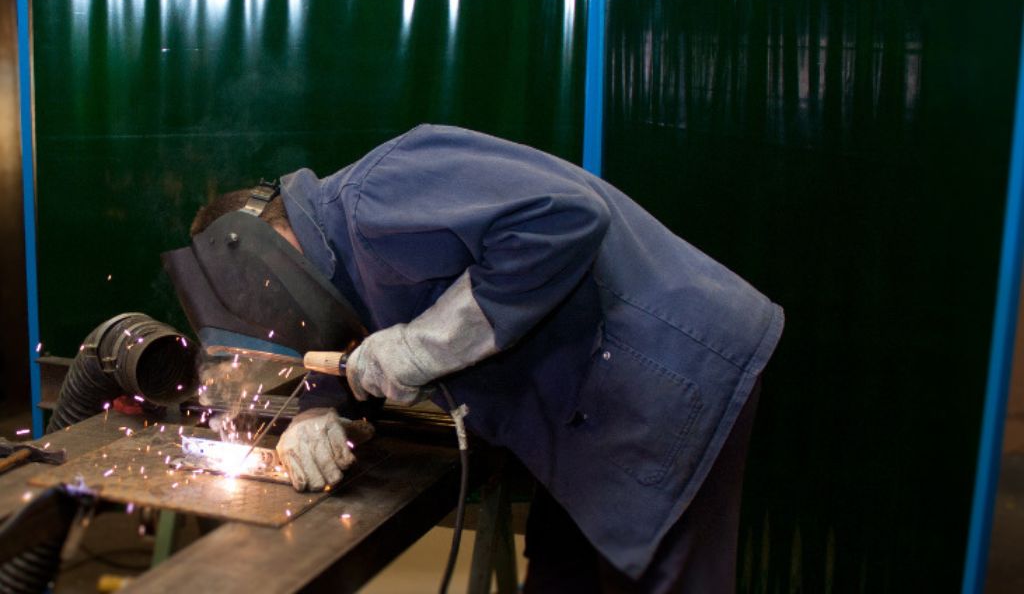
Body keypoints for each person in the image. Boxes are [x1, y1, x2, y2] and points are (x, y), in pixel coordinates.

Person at [171, 124, 783, 593]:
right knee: (559, 573)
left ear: (259, 250)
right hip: (586, 411)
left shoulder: (377, 190)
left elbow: (563, 219)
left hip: (662, 376)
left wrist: (421, 346)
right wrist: (313, 410)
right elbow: (342, 339)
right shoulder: (340, 271)